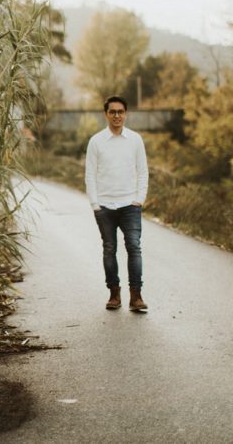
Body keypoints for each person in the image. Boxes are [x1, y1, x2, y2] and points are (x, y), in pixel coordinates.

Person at [84, 95, 149, 312]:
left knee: (134, 247)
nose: (117, 116)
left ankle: (136, 296)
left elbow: (143, 172)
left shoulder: (135, 140)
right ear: (106, 114)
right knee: (109, 249)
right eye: (112, 112)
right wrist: (95, 203)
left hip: (130, 204)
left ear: (126, 114)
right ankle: (114, 293)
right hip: (104, 206)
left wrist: (139, 199)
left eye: (120, 112)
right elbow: (90, 175)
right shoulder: (96, 141)